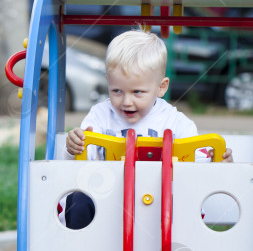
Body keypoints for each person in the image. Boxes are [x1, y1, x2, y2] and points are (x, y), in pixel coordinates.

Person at [60, 29, 232, 228]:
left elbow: (199, 166)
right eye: (117, 91)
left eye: (137, 92)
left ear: (161, 87)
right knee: (78, 200)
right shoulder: (99, 116)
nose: (126, 101)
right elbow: (77, 164)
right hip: (107, 205)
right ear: (108, 80)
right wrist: (73, 147)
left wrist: (219, 163)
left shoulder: (176, 123)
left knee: (187, 202)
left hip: (161, 205)